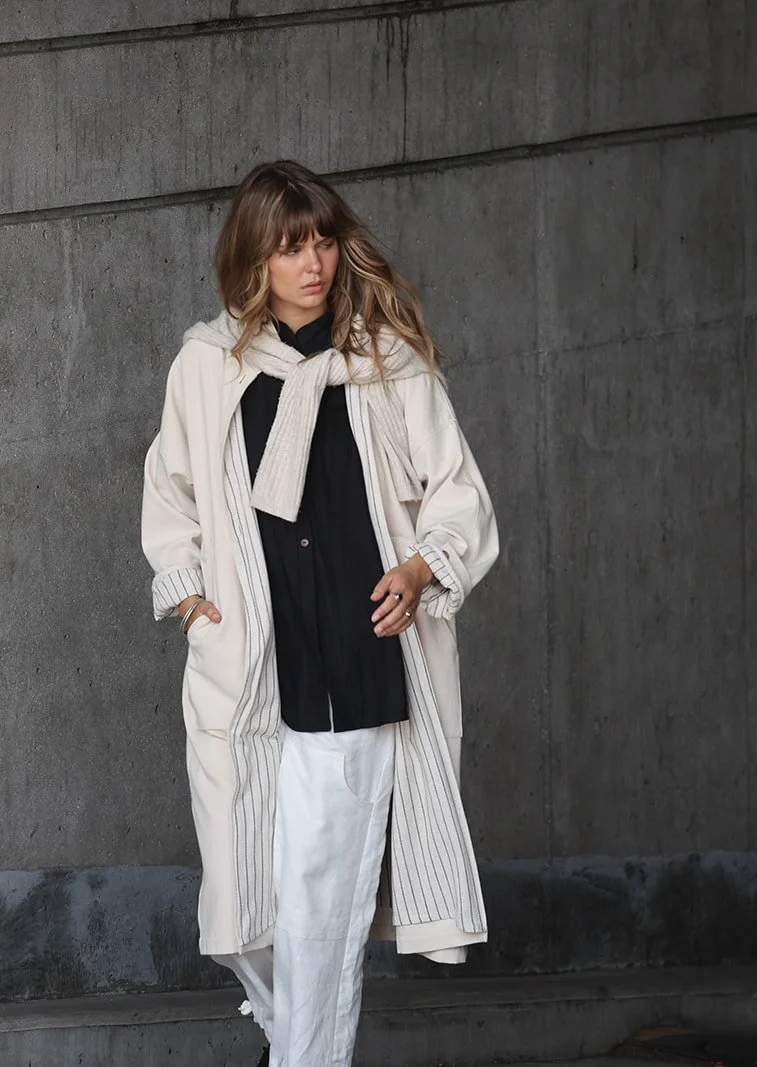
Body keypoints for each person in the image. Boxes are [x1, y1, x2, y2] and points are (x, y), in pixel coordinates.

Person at [141, 159, 499, 1066]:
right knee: (241, 912)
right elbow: (170, 492)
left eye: (322, 241)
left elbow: (456, 491)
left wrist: (422, 566)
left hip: (356, 663)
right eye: (290, 246)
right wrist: (190, 601)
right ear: (253, 258)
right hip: (251, 668)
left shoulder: (385, 361)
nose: (313, 262)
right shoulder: (207, 367)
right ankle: (295, 1036)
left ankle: (306, 1056)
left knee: (319, 906)